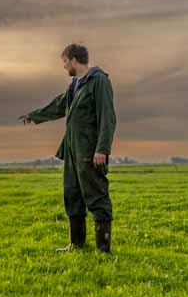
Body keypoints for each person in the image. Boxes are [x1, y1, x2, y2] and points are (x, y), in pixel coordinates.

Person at [18, 43, 117, 254]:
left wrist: (102, 149)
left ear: (73, 60)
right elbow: (58, 105)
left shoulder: (99, 81)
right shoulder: (74, 86)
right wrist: (34, 116)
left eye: (65, 62)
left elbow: (107, 117)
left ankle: (103, 249)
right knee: (72, 194)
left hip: (90, 151)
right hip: (72, 150)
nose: (64, 66)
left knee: (97, 196)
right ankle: (76, 244)